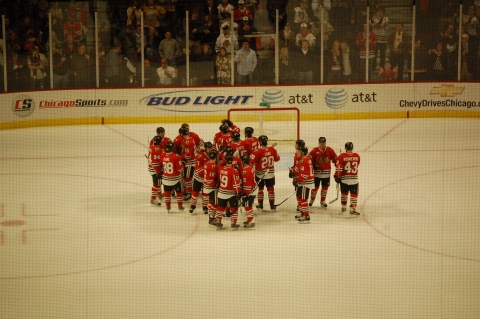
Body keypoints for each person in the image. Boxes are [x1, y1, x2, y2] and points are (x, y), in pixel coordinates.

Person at [250, 135, 280, 211]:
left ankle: (260, 205)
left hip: (260, 174)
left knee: (260, 189)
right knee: (271, 189)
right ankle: (272, 205)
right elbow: (277, 159)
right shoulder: (272, 149)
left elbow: (251, 161)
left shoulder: (257, 151)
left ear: (260, 142)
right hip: (270, 174)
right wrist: (272, 150)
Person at [213, 154, 242, 229]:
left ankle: (218, 221)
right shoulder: (234, 170)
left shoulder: (220, 168)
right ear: (232, 161)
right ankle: (233, 223)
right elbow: (235, 183)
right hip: (231, 193)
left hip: (221, 192)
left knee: (220, 208)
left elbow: (219, 179)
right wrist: (238, 192)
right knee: (234, 208)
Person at [308, 137, 337, 208]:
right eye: (321, 143)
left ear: (325, 143)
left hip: (326, 174)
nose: (322, 144)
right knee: (315, 188)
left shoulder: (329, 150)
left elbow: (335, 158)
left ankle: (322, 201)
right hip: (317, 174)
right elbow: (309, 160)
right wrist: (313, 164)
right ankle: (312, 200)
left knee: (325, 188)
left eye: (323, 143)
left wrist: (337, 163)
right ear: (319, 143)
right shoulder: (314, 150)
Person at [334, 142, 360, 216]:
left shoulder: (342, 156)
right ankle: (352, 209)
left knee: (344, 193)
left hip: (344, 179)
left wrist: (337, 176)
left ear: (345, 148)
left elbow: (339, 167)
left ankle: (343, 207)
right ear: (352, 148)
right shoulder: (357, 156)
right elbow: (357, 164)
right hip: (354, 179)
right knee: (354, 194)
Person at [291, 145, 314, 223]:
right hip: (303, 182)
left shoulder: (304, 160)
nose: (298, 152)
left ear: (303, 153)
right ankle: (302, 213)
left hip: (305, 183)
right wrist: (293, 172)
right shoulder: (304, 159)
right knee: (298, 197)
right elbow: (298, 169)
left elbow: (305, 175)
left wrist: (296, 180)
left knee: (303, 199)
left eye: (299, 151)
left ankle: (306, 215)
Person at [159, 142, 185, 213]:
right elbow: (180, 169)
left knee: (167, 193)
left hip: (165, 179)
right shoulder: (176, 156)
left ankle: (168, 206)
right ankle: (180, 206)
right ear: (172, 148)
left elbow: (161, 166)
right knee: (179, 192)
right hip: (175, 179)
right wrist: (182, 163)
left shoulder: (162, 155)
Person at [189, 142, 214, 214]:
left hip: (207, 179)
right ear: (206, 148)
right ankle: (192, 205)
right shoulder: (200, 156)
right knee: (195, 193)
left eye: (211, 148)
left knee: (205, 193)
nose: (210, 149)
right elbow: (198, 169)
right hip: (199, 178)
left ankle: (205, 207)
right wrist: (208, 172)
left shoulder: (213, 155)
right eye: (209, 148)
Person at [240, 154, 256, 228]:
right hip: (253, 189)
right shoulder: (251, 167)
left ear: (243, 161)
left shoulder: (245, 171)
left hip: (248, 190)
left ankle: (251, 221)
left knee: (248, 206)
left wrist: (246, 193)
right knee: (248, 205)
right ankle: (249, 219)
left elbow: (247, 183)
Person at [204, 150, 220, 226]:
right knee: (214, 203)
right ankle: (212, 218)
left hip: (206, 185)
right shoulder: (214, 166)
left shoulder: (206, 163)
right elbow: (211, 178)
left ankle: (210, 217)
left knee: (211, 202)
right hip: (212, 187)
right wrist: (216, 184)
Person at [148, 135, 164, 206]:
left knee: (157, 182)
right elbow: (155, 162)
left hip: (151, 167)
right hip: (155, 168)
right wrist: (158, 172)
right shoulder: (157, 149)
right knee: (157, 184)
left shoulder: (152, 146)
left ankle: (159, 194)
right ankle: (153, 198)